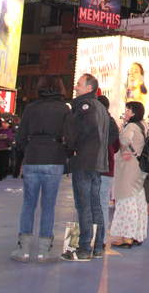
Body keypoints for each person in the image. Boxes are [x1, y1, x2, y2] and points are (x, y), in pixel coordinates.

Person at [12, 75, 77, 262]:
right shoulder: (65, 109)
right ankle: (44, 251)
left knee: (28, 204)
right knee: (49, 205)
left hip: (32, 158)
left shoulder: (30, 108)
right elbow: (72, 140)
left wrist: (30, 150)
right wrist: (63, 151)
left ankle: (23, 249)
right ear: (60, 89)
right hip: (54, 159)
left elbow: (20, 137)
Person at [61, 73, 119, 262]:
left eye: (78, 84)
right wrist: (101, 147)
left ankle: (85, 248)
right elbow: (113, 130)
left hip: (85, 162)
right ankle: (97, 247)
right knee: (94, 204)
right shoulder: (101, 108)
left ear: (88, 88)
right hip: (97, 163)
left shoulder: (85, 106)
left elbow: (87, 127)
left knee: (84, 204)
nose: (75, 87)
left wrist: (76, 146)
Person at [110, 100, 149, 248]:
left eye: (128, 110)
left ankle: (127, 236)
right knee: (138, 200)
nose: (126, 113)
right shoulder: (146, 125)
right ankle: (138, 234)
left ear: (134, 112)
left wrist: (123, 150)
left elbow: (124, 139)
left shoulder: (131, 127)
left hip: (129, 166)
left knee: (126, 200)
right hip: (141, 168)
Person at [97, 95, 120, 244]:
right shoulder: (112, 122)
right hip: (108, 167)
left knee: (88, 204)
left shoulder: (94, 120)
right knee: (104, 205)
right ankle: (102, 240)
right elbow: (117, 146)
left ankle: (89, 238)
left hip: (93, 167)